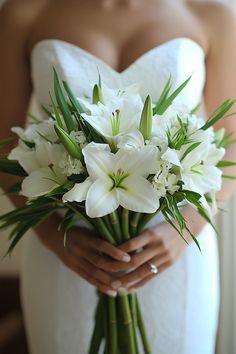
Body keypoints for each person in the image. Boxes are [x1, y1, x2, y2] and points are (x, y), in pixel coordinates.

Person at [1, 0, 236, 353]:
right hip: (69, 249)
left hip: (171, 247)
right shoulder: (24, 12)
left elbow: (230, 143)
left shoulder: (209, 14)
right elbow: (4, 144)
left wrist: (184, 231)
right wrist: (53, 239)